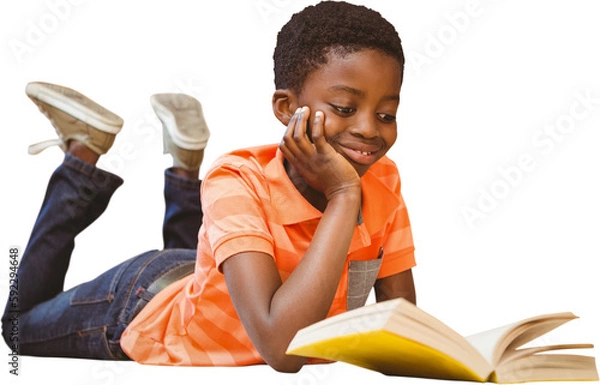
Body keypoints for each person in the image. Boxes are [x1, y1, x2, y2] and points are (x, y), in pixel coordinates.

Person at [3, 1, 416, 373]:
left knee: (209, 268)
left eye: (386, 115)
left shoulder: (384, 179)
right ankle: (82, 158)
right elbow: (283, 350)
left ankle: (184, 165)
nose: (368, 130)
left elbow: (404, 326)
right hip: (142, 305)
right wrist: (343, 196)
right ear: (287, 108)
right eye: (345, 108)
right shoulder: (237, 180)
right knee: (18, 328)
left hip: (216, 274)